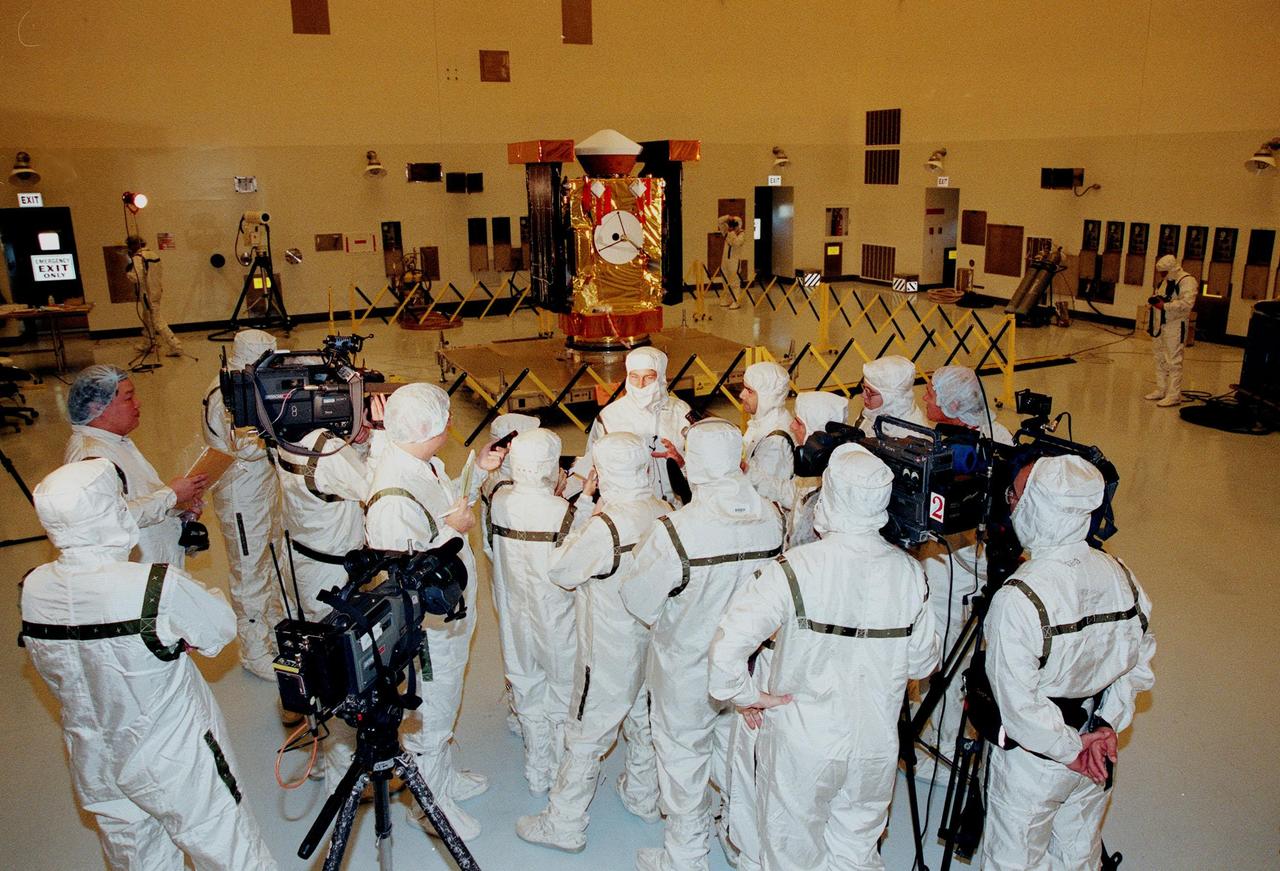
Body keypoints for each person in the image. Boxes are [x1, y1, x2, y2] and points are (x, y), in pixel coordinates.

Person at [20, 459, 277, 870]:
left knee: (138, 858)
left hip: (96, 758)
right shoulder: (151, 587)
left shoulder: (34, 587)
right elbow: (219, 628)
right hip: (172, 755)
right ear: (111, 512)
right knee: (228, 848)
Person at [708, 444, 940, 871]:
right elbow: (923, 663)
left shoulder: (794, 569)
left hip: (803, 740)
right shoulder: (910, 573)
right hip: (874, 741)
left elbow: (727, 650)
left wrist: (745, 694)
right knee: (857, 851)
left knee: (790, 849)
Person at [622, 418, 787, 871]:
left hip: (686, 668)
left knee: (681, 756)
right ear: (737, 461)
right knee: (736, 755)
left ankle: (686, 855)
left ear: (692, 464)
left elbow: (639, 600)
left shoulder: (675, 531)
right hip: (746, 668)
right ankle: (743, 844)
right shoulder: (772, 517)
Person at [980, 455, 1155, 870]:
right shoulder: (1121, 574)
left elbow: (1017, 704)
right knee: (1078, 851)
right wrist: (1107, 724)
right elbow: (1138, 663)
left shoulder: (1019, 598)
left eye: (1018, 497)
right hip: (1098, 746)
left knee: (1014, 858)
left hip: (1037, 760)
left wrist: (1069, 749)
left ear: (1037, 509)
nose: (1012, 505)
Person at [364, 383, 505, 841]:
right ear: (426, 430)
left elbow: (446, 504)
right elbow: (405, 576)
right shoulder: (392, 497)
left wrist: (476, 471)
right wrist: (455, 533)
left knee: (447, 700)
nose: (449, 429)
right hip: (428, 629)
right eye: (444, 423)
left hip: (451, 616)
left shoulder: (419, 462)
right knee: (432, 706)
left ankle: (441, 780)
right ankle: (428, 806)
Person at [517, 432, 667, 853]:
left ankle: (564, 823)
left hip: (608, 648)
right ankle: (642, 794)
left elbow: (562, 571)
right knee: (644, 718)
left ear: (599, 473)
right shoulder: (662, 509)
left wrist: (584, 519)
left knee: (586, 734)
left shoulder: (605, 526)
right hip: (651, 641)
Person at [488, 428, 586, 793]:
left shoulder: (500, 503)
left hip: (514, 613)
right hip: (556, 616)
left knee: (526, 684)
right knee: (561, 687)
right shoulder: (564, 512)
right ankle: (561, 770)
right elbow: (574, 565)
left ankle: (536, 768)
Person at [202, 329, 285, 681]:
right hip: (241, 496)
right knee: (249, 571)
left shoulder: (243, 383)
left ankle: (273, 628)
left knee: (269, 560)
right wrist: (284, 433)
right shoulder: (227, 394)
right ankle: (254, 651)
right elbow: (248, 447)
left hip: (261, 488)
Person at [65, 364, 207, 566]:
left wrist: (179, 510)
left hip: (157, 567)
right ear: (97, 407)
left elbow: (139, 499)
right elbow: (112, 519)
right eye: (128, 398)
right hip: (141, 578)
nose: (137, 403)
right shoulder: (92, 459)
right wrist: (171, 496)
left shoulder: (115, 442)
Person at [479, 412, 541, 736]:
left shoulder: (500, 480)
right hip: (516, 576)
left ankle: (524, 705)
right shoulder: (501, 488)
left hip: (516, 574)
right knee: (520, 643)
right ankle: (522, 711)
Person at [573, 346, 694, 507]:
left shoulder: (681, 412)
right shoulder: (610, 416)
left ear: (661, 377)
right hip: (627, 509)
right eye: (634, 377)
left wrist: (682, 462)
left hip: (677, 507)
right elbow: (593, 465)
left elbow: (703, 463)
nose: (641, 384)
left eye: (649, 377)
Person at [786, 390, 849, 548]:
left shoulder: (833, 485)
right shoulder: (811, 466)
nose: (792, 426)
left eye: (799, 423)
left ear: (816, 432)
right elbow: (790, 493)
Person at [741, 361, 798, 510]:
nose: (742, 395)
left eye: (749, 390)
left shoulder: (775, 440)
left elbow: (766, 493)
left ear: (767, 396)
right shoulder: (762, 421)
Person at [1146, 253, 1199, 407]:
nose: (1161, 275)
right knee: (1160, 357)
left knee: (1173, 360)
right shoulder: (1165, 281)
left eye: (1164, 272)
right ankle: (1161, 389)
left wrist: (1165, 306)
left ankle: (1174, 394)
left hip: (1175, 325)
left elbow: (1187, 304)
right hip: (1160, 325)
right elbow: (1159, 296)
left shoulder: (1187, 281)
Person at [925, 364, 1013, 445]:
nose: (924, 398)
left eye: (929, 395)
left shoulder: (973, 446)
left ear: (953, 406)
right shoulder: (962, 431)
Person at [125, 234, 183, 357]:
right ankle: (148, 343)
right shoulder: (153, 254)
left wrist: (128, 272)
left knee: (156, 320)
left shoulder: (138, 257)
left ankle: (175, 345)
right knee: (147, 317)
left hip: (147, 294)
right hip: (156, 291)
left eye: (129, 246)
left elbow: (136, 277)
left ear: (134, 245)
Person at [858, 355, 929, 438]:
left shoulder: (913, 435)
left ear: (890, 398)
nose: (863, 395)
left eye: (869, 391)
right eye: (864, 388)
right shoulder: (873, 411)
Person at [717, 216, 746, 308]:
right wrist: (727, 218)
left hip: (734, 261)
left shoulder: (741, 234)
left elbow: (736, 243)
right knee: (725, 280)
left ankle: (736, 301)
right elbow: (719, 221)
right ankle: (728, 299)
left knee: (734, 281)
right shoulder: (727, 232)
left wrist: (733, 232)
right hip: (725, 260)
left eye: (734, 224)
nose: (732, 226)